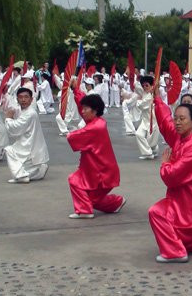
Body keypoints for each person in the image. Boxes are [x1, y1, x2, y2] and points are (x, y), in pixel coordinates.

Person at [148, 84, 192, 263]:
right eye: (176, 118)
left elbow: (172, 177)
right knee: (168, 219)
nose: (177, 122)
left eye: (182, 119)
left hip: (190, 209)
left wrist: (165, 165)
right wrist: (158, 99)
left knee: (157, 212)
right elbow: (164, 123)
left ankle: (176, 252)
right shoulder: (180, 138)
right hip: (183, 203)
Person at [66, 80, 125, 219]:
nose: (83, 111)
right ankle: (116, 202)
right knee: (89, 196)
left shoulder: (95, 127)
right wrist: (75, 90)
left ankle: (86, 210)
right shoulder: (96, 120)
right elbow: (82, 103)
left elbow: (73, 137)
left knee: (77, 184)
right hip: (97, 169)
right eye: (84, 108)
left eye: (86, 109)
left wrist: (69, 133)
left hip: (101, 173)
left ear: (95, 111)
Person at [4, 87, 49, 183]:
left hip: (29, 145)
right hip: (29, 143)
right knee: (27, 165)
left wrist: (8, 118)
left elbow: (16, 127)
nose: (23, 100)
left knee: (9, 150)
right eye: (20, 97)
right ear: (17, 99)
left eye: (26, 97)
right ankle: (40, 170)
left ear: (31, 99)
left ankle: (21, 176)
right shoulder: (26, 111)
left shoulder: (30, 113)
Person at [135, 76, 159, 160]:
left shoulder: (151, 96)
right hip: (145, 120)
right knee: (138, 134)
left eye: (147, 85)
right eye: (143, 85)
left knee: (151, 142)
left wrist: (138, 100)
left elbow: (141, 106)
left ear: (151, 86)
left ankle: (154, 150)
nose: (144, 87)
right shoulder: (145, 93)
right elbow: (136, 87)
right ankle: (148, 153)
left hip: (152, 120)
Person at [54, 72, 81, 137]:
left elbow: (75, 81)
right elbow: (59, 84)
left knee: (59, 118)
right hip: (64, 108)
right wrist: (55, 75)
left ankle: (65, 131)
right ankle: (69, 130)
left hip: (68, 109)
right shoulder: (64, 89)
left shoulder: (72, 90)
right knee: (63, 120)